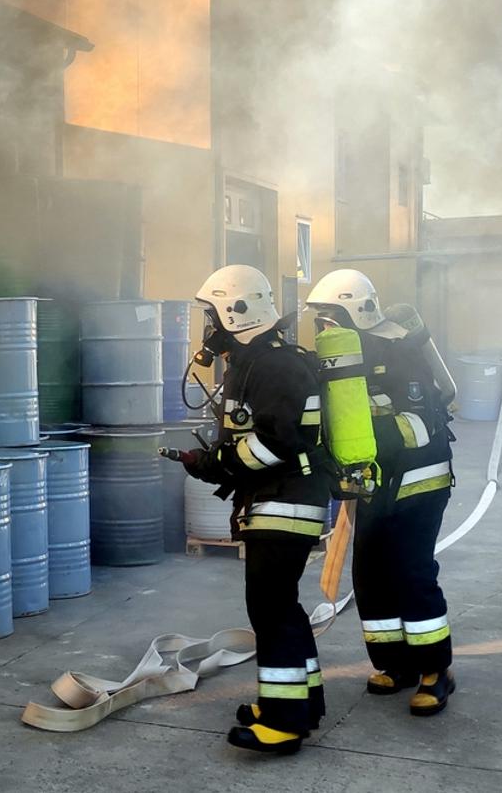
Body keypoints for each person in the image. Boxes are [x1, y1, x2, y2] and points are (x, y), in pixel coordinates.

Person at [164, 264, 327, 755]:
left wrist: (215, 464)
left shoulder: (274, 365)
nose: (208, 330)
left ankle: (283, 721)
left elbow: (276, 442)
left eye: (211, 317)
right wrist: (215, 461)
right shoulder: (254, 361)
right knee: (284, 608)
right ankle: (302, 701)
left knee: (270, 609)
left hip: (286, 502)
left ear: (238, 312)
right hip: (274, 498)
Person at [305, 268, 457, 716]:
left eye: (329, 318)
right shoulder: (342, 358)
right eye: (319, 320)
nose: (322, 329)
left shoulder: (398, 352)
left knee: (412, 573)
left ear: (355, 311)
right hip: (372, 484)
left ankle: (435, 671)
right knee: (370, 575)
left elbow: (419, 423)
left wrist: (364, 437)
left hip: (418, 482)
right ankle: (395, 663)